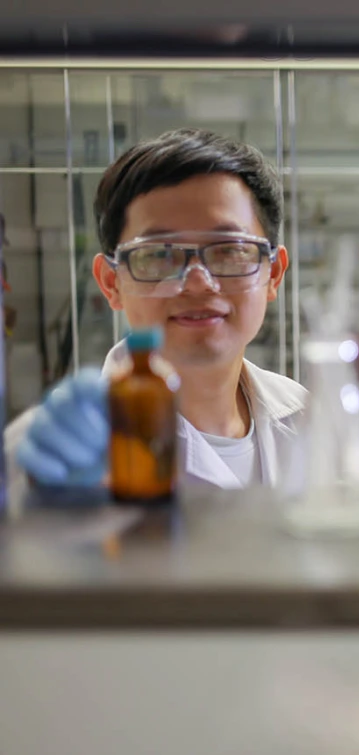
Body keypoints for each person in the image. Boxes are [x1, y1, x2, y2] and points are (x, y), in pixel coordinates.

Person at [4, 128, 305, 506]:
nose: (197, 283)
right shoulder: (46, 455)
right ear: (111, 282)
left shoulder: (305, 416)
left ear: (273, 274)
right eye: (158, 255)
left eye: (229, 250)